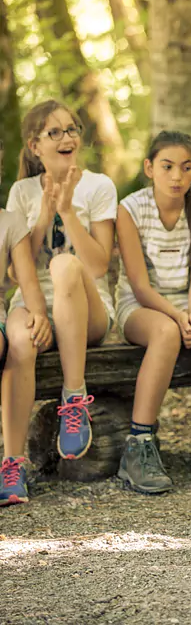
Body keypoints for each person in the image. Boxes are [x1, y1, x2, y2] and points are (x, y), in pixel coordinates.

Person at [114, 131, 191, 493]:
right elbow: (139, 284)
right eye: (167, 167)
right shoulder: (130, 209)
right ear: (149, 168)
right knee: (166, 333)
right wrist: (176, 315)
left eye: (186, 168)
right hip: (142, 305)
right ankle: (139, 444)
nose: (176, 176)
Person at [3, 100, 116, 478]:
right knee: (20, 343)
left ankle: (74, 398)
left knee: (64, 265)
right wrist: (45, 216)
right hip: (34, 304)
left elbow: (98, 266)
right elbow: (15, 270)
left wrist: (67, 211)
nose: (67, 138)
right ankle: (13, 464)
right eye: (55, 132)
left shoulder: (99, 186)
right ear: (35, 145)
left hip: (89, 311)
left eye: (71, 130)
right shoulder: (22, 192)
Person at [0, 138, 54, 506]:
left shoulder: (10, 222)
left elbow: (27, 280)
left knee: (22, 345)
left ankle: (12, 466)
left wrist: (39, 314)